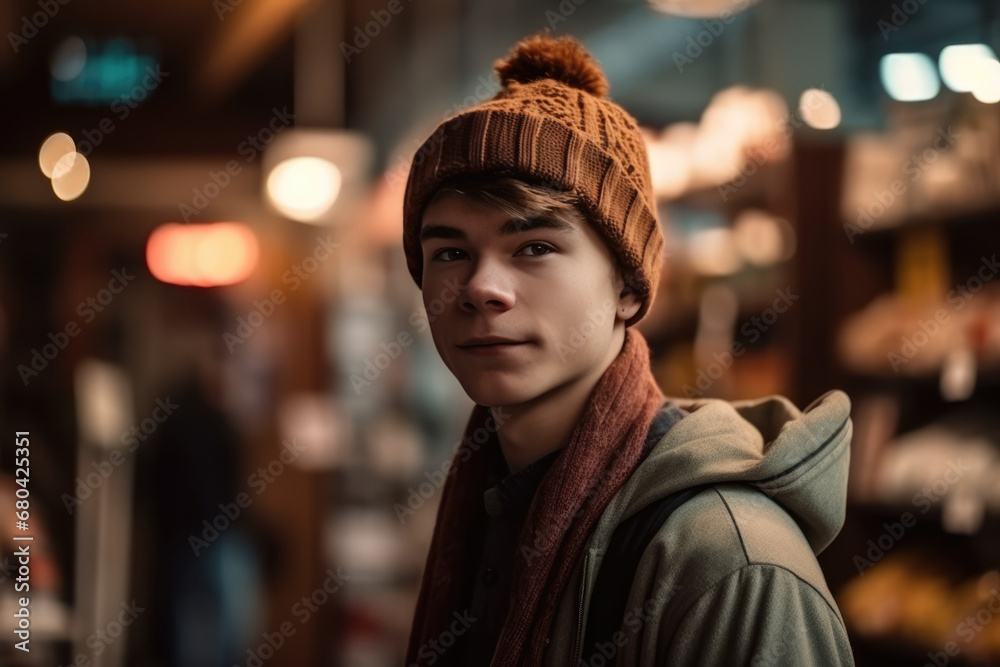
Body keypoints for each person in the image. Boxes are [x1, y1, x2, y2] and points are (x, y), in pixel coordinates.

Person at [400, 31, 855, 666]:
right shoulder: (493, 508)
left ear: (628, 288)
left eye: (533, 247)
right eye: (449, 252)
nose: (481, 288)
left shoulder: (728, 564)